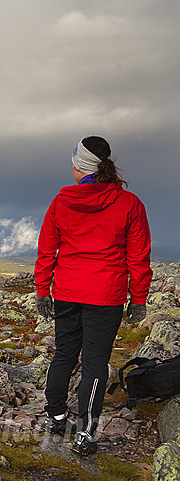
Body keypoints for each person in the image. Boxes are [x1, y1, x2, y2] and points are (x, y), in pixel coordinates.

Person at [34, 135, 152, 456]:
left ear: (81, 168)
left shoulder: (61, 202)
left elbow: (47, 250)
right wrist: (138, 299)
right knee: (95, 365)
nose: (70, 167)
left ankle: (56, 417)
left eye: (73, 162)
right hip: (106, 296)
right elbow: (138, 257)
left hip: (68, 293)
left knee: (64, 355)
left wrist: (42, 290)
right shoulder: (130, 204)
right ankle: (85, 433)